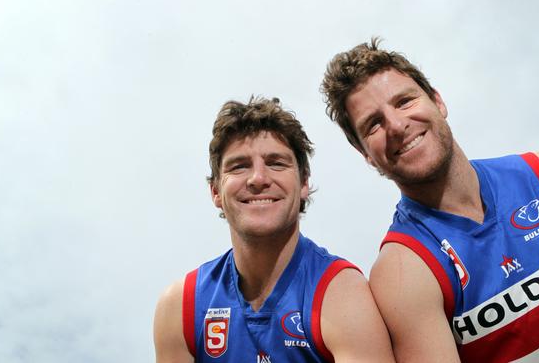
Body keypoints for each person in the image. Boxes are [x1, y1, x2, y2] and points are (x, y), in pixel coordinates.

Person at [320, 38, 539, 362]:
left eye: (404, 101)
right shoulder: (404, 270)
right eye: (374, 124)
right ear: (365, 155)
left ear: (437, 101)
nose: (398, 125)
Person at [153, 97, 395, 363]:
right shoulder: (181, 308)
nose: (258, 179)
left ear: (304, 183)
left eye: (276, 163)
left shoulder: (342, 296)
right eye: (239, 166)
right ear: (216, 192)